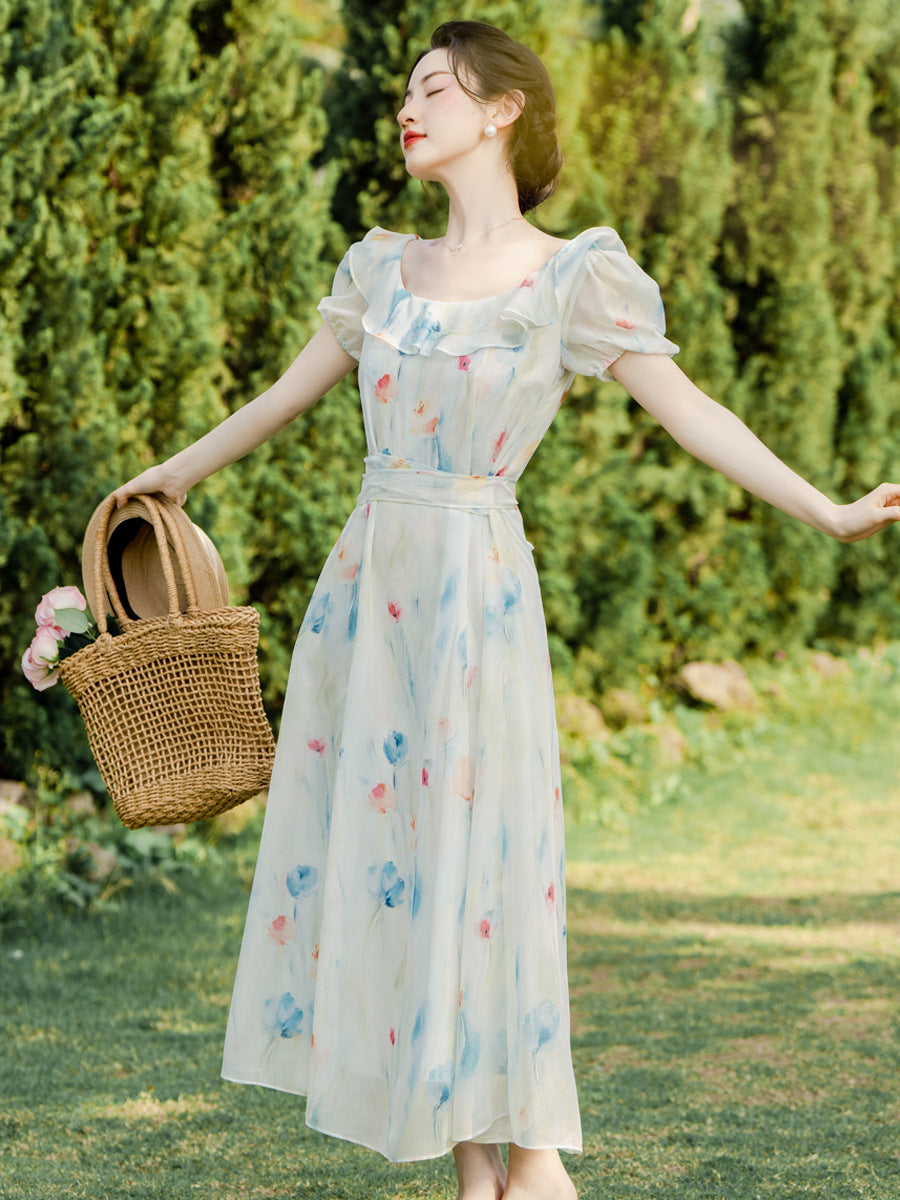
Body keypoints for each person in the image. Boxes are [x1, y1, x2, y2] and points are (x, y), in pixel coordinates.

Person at [113, 19, 900, 1200]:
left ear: (503, 112)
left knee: (487, 862)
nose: (407, 107)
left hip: (478, 592)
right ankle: (474, 1165)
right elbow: (282, 397)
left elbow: (695, 415)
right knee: (406, 857)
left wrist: (830, 512)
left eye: (436, 87)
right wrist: (167, 477)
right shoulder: (379, 270)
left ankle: (530, 1157)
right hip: (372, 592)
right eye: (406, 91)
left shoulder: (570, 276)